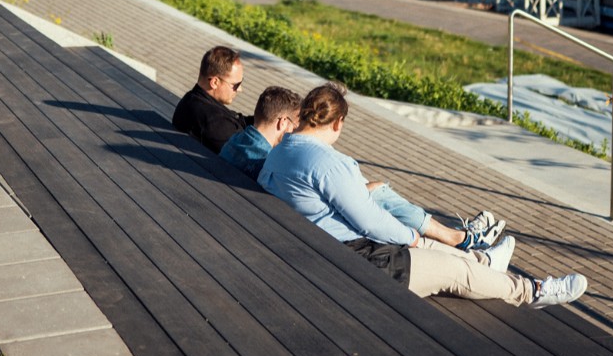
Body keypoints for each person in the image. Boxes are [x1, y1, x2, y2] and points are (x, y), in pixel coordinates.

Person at [259, 83, 587, 308]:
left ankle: (485, 261)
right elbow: (369, 221)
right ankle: (533, 291)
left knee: (428, 244)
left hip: (322, 247)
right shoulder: (328, 163)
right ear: (338, 122)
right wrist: (410, 237)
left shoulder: (281, 150)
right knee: (453, 271)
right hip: (359, 261)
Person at [223, 87, 505, 250]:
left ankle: (460, 240)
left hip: (273, 218)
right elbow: (366, 221)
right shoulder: (268, 156)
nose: (297, 129)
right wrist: (364, 190)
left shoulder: (243, 143)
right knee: (379, 194)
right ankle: (461, 241)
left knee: (371, 192)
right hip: (313, 236)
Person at [171, 46, 253, 153]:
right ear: (214, 82)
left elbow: (239, 121)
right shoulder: (215, 122)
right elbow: (244, 155)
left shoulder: (192, 99)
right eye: (236, 85)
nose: (240, 89)